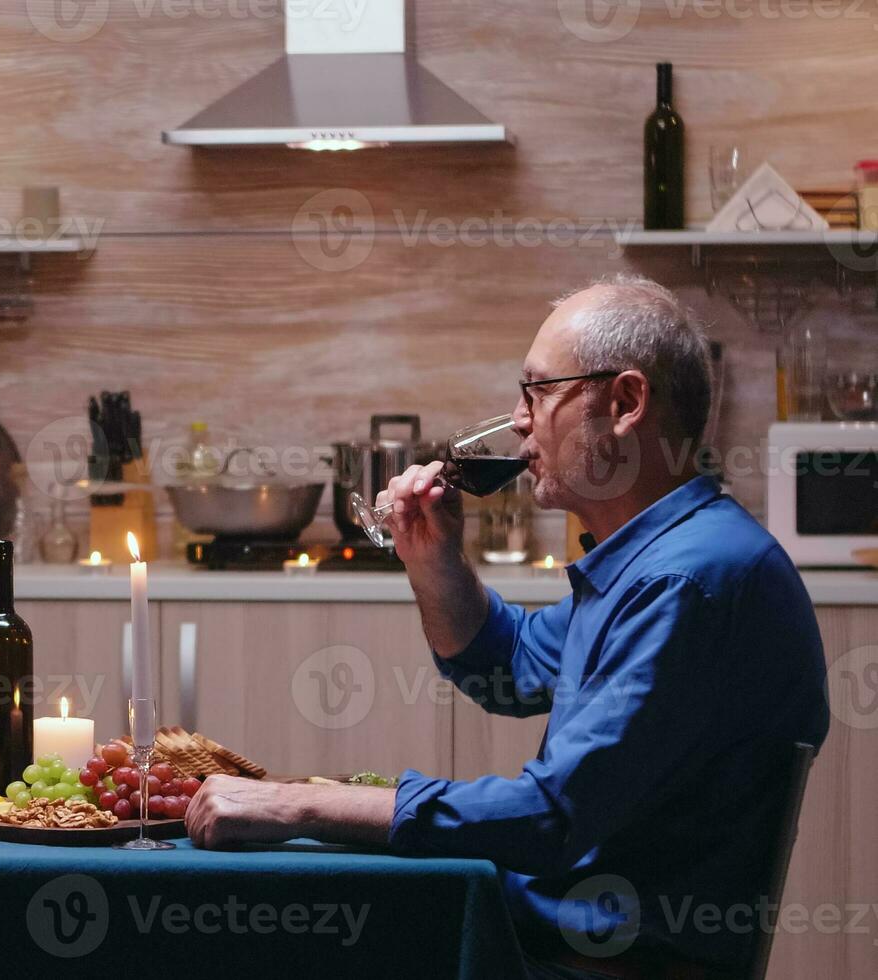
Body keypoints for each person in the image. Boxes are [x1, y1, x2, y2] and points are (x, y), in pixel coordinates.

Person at [185, 276, 828, 977]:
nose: (519, 420)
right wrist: (434, 562)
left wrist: (301, 804)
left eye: (537, 392)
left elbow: (550, 816)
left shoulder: (686, 581)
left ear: (625, 403)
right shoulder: (652, 559)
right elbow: (511, 665)